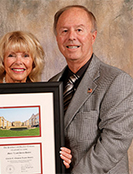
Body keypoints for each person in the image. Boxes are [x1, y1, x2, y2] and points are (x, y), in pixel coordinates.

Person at [0, 31, 72, 169]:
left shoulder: (48, 103)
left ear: (34, 62)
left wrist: (61, 158)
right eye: (11, 55)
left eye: (26, 55)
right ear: (2, 61)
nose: (18, 61)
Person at [49, 5, 133, 173]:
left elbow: (114, 143)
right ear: (57, 38)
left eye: (79, 30)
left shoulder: (117, 81)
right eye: (64, 31)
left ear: (93, 36)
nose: (71, 37)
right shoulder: (52, 84)